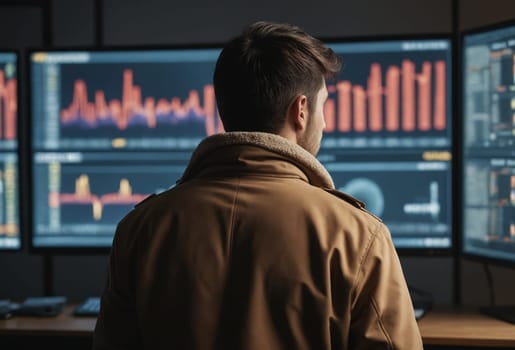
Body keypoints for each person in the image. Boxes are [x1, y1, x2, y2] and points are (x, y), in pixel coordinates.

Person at [93, 21, 422, 350]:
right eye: (323, 106)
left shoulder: (140, 229)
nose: (325, 122)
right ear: (301, 111)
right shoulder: (356, 235)